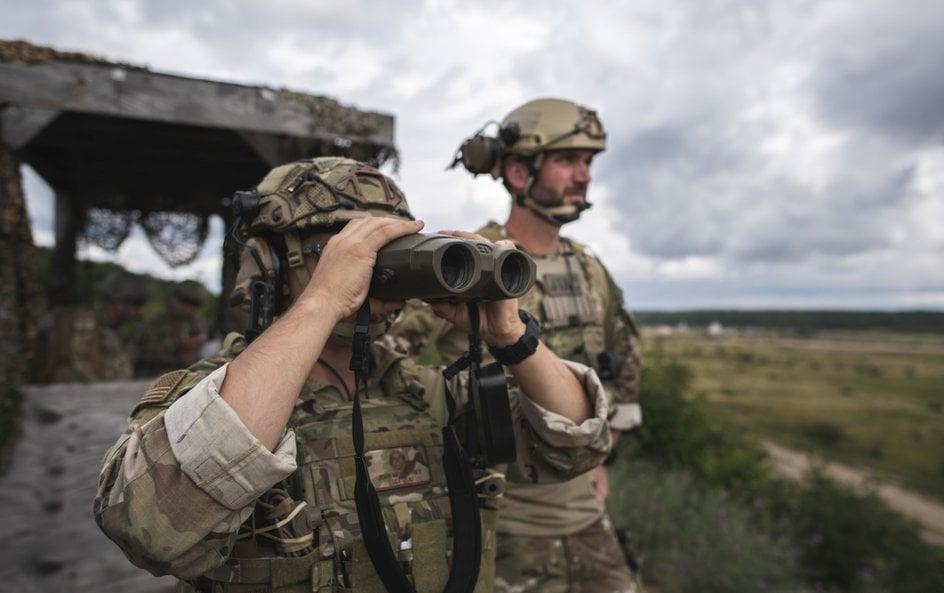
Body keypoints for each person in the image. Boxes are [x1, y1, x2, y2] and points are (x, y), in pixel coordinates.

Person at [93, 156, 612, 593]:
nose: (364, 268)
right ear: (270, 263)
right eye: (336, 249)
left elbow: (574, 446)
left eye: (381, 253)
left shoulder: (425, 394)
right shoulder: (208, 398)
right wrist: (323, 300)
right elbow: (149, 531)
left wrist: (510, 336)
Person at [392, 98, 642, 593]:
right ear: (518, 171)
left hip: (584, 515)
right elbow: (386, 352)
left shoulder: (590, 267)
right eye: (568, 160)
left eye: (588, 162)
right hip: (498, 523)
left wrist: (602, 455)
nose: (584, 176)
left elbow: (623, 363)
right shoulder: (469, 261)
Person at [37, 268, 149, 382]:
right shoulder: (84, 326)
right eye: (137, 304)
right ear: (117, 301)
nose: (140, 311)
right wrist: (125, 361)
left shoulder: (114, 333)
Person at [133, 279, 209, 378]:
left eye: (194, 303)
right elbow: (137, 354)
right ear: (173, 298)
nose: (188, 308)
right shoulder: (152, 325)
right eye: (184, 300)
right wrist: (182, 348)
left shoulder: (199, 326)